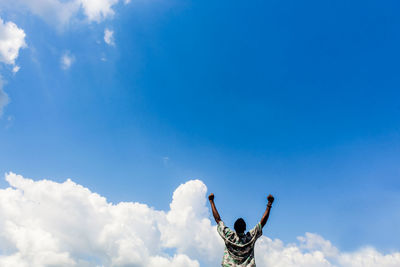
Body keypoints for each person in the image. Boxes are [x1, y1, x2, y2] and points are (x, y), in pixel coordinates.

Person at [208, 193, 274, 267]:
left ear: (234, 228)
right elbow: (262, 223)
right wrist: (269, 204)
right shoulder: (250, 238)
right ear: (245, 228)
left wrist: (211, 201)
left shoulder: (229, 235)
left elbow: (218, 219)